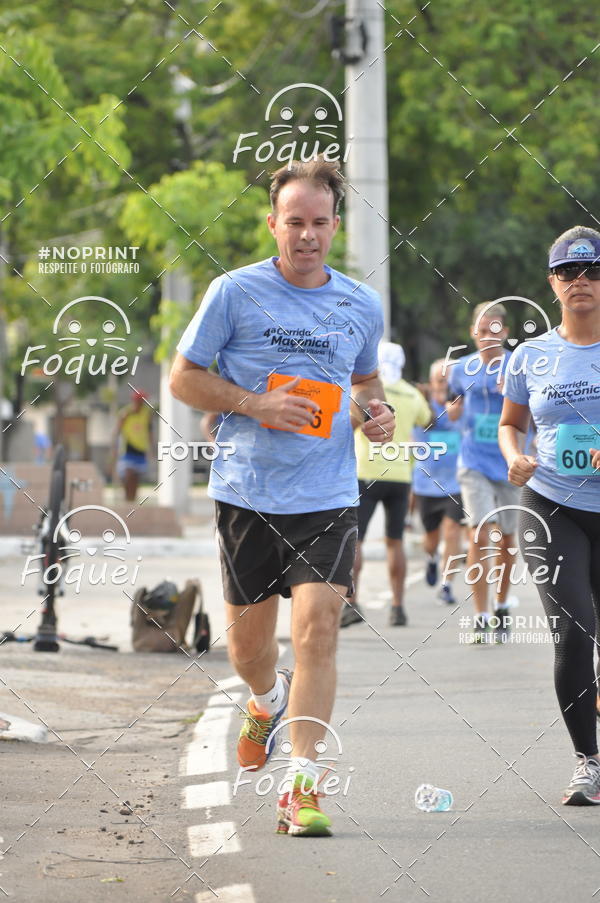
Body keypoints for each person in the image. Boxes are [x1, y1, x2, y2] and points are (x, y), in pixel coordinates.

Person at [169, 158, 394, 836]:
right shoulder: (234, 292)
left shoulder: (361, 304)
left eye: (319, 222)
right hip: (247, 493)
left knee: (318, 630)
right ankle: (265, 698)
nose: (307, 235)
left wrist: (375, 412)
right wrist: (255, 404)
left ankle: (301, 784)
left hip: (327, 494)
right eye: (294, 222)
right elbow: (182, 378)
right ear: (273, 224)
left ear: (335, 226)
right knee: (249, 650)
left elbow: (366, 382)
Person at [499, 225, 600, 805]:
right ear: (552, 283)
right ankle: (589, 761)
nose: (580, 281)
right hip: (552, 503)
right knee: (574, 632)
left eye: (592, 271)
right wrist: (514, 457)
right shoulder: (530, 356)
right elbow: (510, 424)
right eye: (567, 272)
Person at [446, 302, 520, 642]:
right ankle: (481, 615)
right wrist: (453, 410)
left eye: (493, 329)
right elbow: (453, 408)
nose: (486, 335)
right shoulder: (461, 368)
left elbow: (532, 409)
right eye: (481, 330)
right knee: (479, 532)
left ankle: (501, 605)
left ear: (504, 332)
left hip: (508, 460)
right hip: (473, 460)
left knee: (506, 539)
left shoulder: (518, 364)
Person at [346, 341, 431, 628]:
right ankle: (397, 607)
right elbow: (426, 419)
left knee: (355, 540)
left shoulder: (365, 392)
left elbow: (350, 423)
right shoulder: (411, 394)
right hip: (400, 475)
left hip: (366, 471)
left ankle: (351, 604)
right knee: (395, 542)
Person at [412, 358, 465, 605]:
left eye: (449, 380)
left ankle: (447, 585)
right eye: (440, 380)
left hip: (457, 481)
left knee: (452, 531)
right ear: (432, 382)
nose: (445, 384)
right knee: (431, 538)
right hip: (426, 481)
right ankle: (432, 558)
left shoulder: (463, 404)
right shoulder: (422, 404)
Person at [113, 389, 153, 502]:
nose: (141, 404)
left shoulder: (147, 413)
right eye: (139, 401)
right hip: (127, 449)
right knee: (128, 475)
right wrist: (114, 448)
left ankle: (132, 501)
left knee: (136, 478)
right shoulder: (125, 413)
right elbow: (117, 431)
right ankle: (127, 498)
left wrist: (151, 448)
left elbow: (149, 431)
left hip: (141, 449)